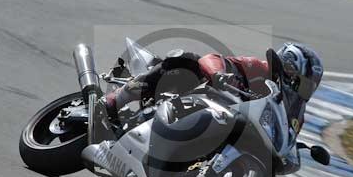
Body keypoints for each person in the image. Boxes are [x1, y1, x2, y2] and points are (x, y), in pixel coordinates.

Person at [104, 43, 323, 135]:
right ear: (288, 68)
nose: (302, 89)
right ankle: (117, 99)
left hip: (222, 128)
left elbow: (287, 138)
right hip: (196, 97)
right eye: (301, 82)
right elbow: (213, 59)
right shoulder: (259, 68)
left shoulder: (293, 114)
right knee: (186, 59)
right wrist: (219, 74)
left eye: (308, 87)